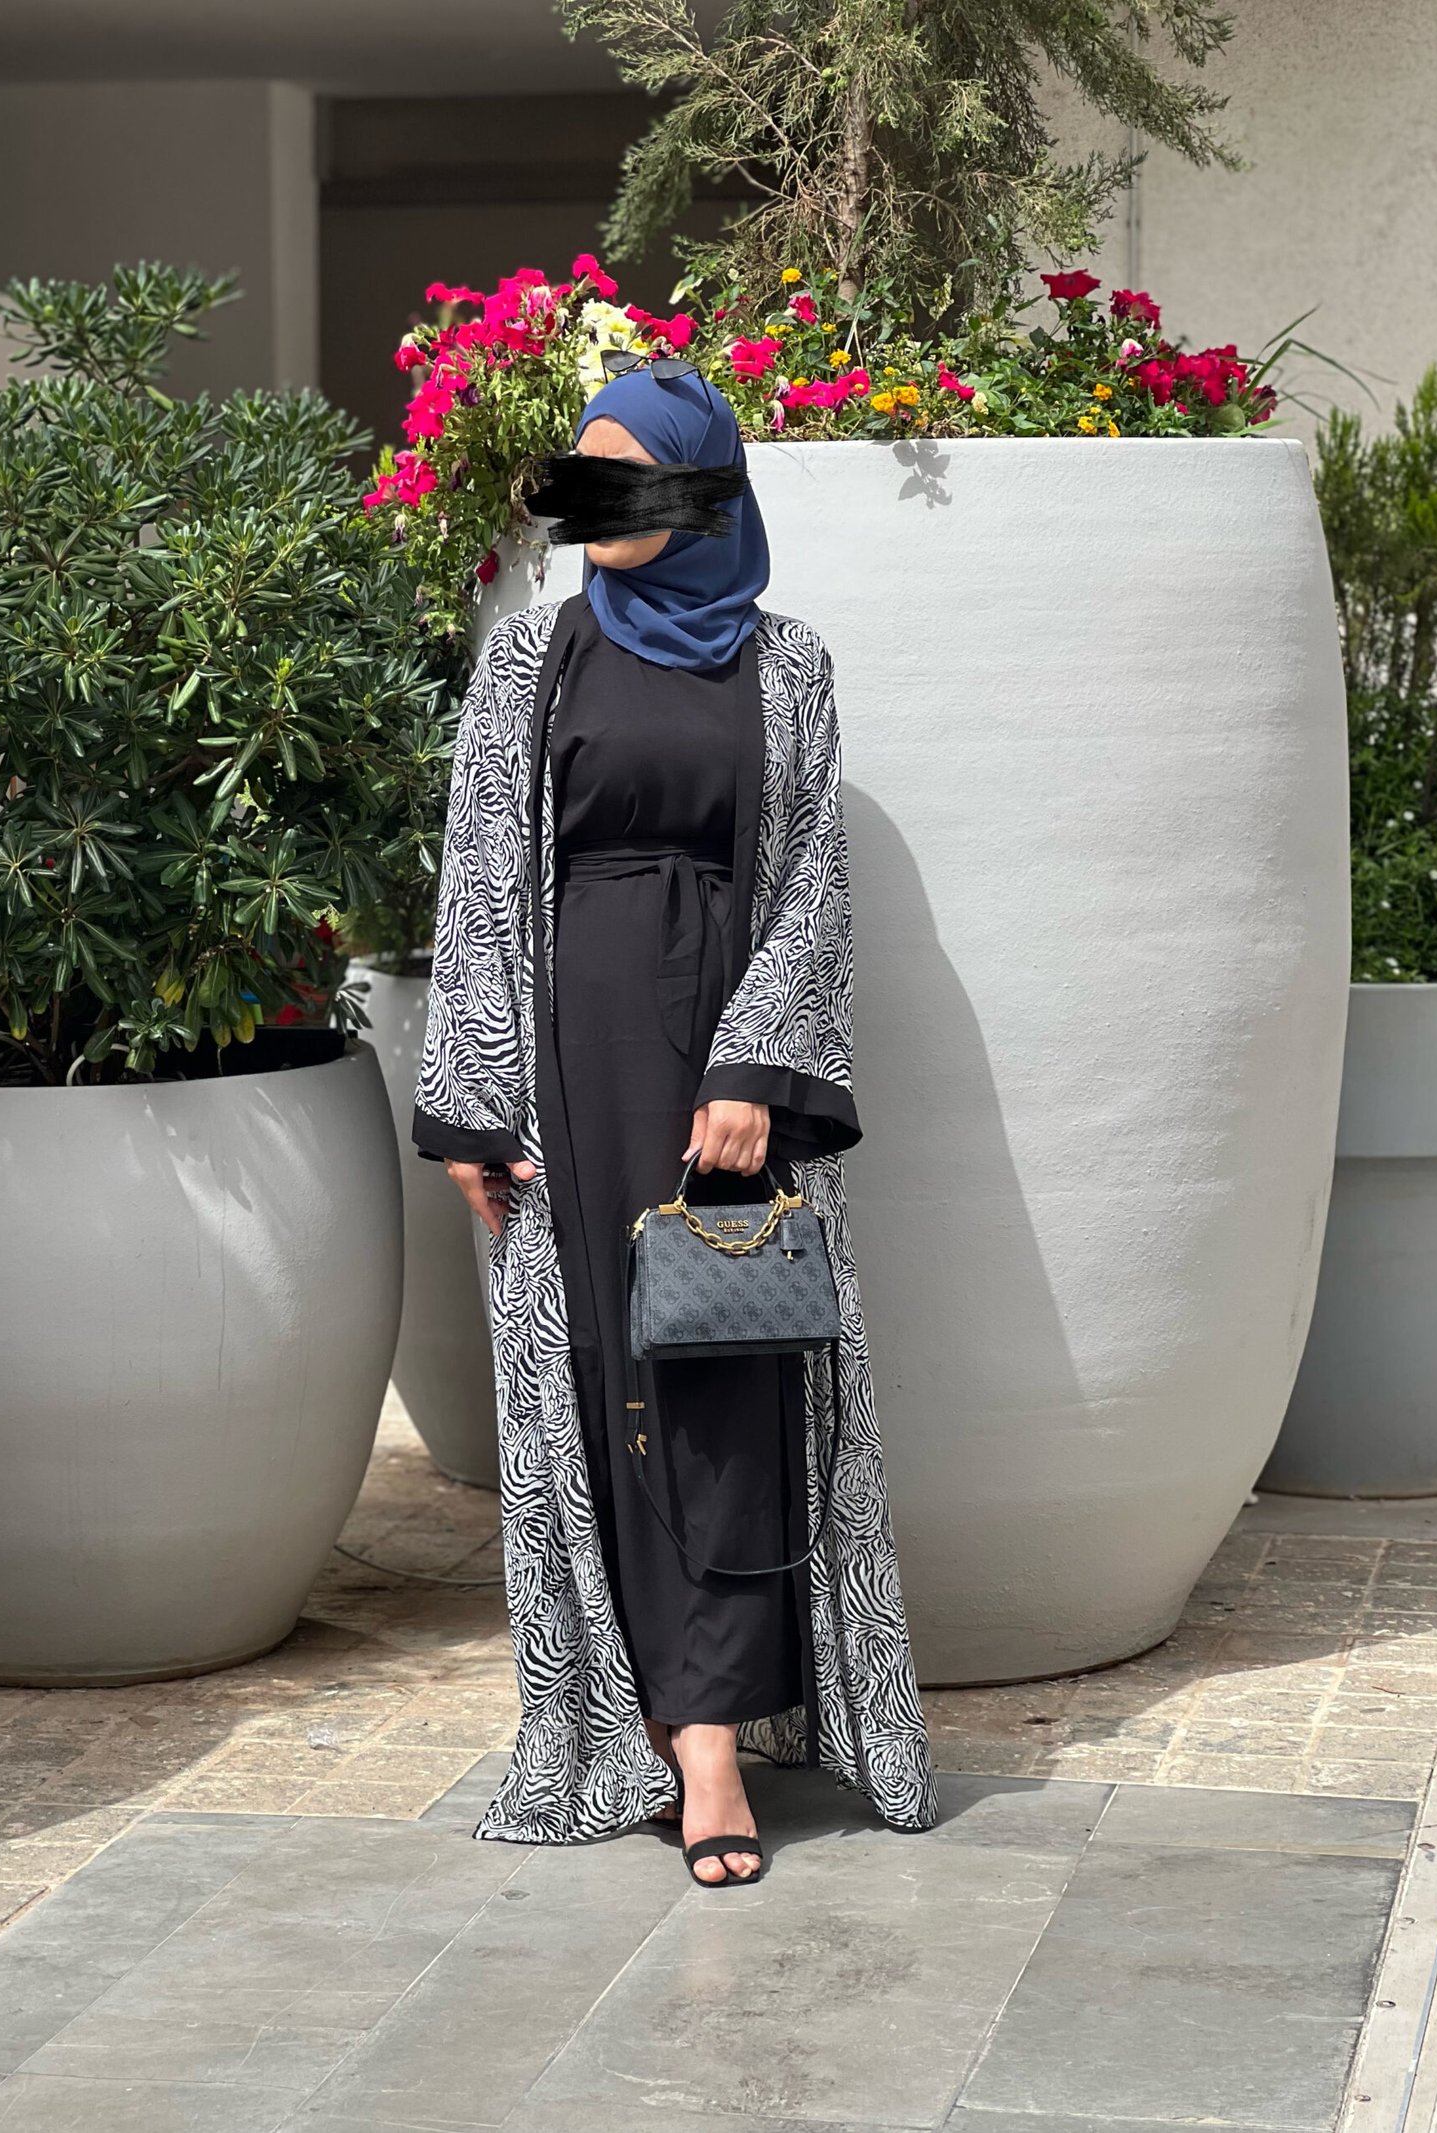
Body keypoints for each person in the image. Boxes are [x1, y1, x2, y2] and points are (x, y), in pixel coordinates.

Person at [412, 360, 937, 1883]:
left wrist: (752, 1070)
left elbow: (811, 879)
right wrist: (475, 1102)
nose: (594, 505)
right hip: (569, 1062)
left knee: (728, 1375)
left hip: (724, 1062)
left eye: (628, 476)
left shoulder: (789, 666)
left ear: (704, 491)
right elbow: (482, 871)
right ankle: (683, 1737)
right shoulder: (534, 656)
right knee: (601, 1379)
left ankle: (721, 1712)